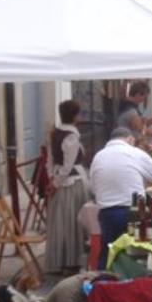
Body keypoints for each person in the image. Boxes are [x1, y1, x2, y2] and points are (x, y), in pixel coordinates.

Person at [89, 127, 152, 269]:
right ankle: (131, 283)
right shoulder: (134, 152)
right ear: (130, 139)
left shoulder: (98, 156)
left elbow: (93, 187)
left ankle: (102, 283)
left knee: (108, 251)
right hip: (134, 210)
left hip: (107, 213)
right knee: (135, 254)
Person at [45, 100, 90, 274]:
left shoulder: (56, 132)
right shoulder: (71, 136)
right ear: (74, 116)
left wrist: (51, 178)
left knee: (61, 223)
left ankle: (62, 260)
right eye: (79, 113)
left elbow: (50, 160)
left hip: (60, 179)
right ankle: (71, 261)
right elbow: (68, 165)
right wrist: (56, 183)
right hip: (71, 184)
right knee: (72, 222)